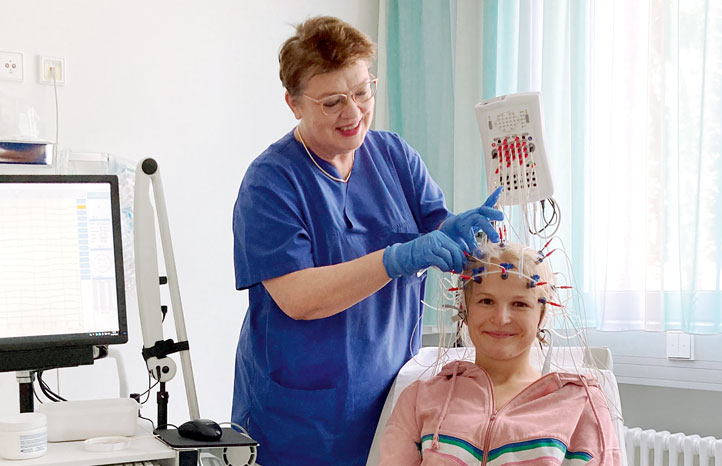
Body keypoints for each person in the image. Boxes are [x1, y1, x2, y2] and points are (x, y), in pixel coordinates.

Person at [231, 16, 504, 465]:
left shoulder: (393, 156)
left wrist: (461, 233)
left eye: (362, 92)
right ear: (294, 104)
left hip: (390, 402)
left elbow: (439, 229)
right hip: (299, 421)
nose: (354, 113)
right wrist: (394, 260)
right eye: (333, 102)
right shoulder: (271, 182)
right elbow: (299, 299)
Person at [377, 242, 621, 465]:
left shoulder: (581, 405)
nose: (501, 318)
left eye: (520, 304)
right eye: (486, 301)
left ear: (541, 315)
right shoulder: (419, 400)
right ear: (465, 309)